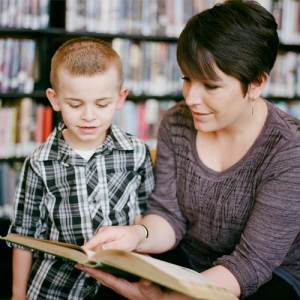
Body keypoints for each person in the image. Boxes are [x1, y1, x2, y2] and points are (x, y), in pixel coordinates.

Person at [78, 1, 300, 300]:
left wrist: (167, 297)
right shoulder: (177, 122)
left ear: (256, 83)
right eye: (187, 79)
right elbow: (169, 215)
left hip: (269, 275)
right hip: (189, 258)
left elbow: (251, 263)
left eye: (210, 85)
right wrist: (136, 236)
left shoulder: (289, 149)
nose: (191, 97)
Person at [8, 37, 155, 300]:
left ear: (121, 98)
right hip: (55, 287)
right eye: (75, 105)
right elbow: (23, 236)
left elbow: (144, 219)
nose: (89, 116)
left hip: (119, 284)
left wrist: (145, 281)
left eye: (102, 104)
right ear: (55, 100)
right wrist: (18, 296)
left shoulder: (137, 153)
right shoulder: (39, 163)